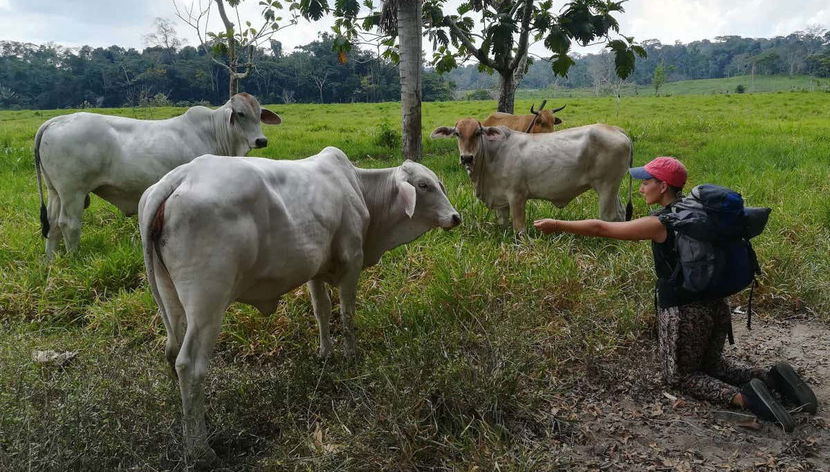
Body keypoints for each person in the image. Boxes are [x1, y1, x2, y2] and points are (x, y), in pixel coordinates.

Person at [533, 156, 817, 431]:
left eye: (646, 182)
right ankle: (771, 379)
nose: (642, 187)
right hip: (717, 304)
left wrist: (557, 225)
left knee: (680, 376)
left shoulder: (662, 223)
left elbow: (602, 227)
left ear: (663, 186)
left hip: (684, 310)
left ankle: (747, 398)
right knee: (712, 365)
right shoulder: (704, 216)